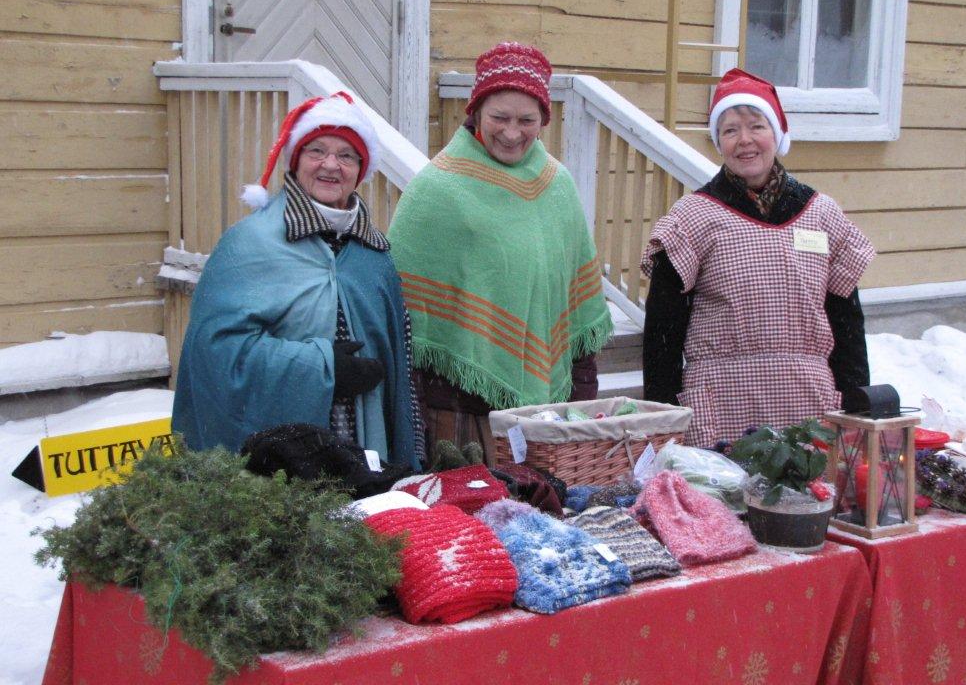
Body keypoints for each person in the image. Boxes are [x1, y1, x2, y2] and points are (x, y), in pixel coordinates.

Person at [172, 91, 424, 471]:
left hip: (365, 443)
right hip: (280, 460)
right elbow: (215, 353)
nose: (331, 165)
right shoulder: (249, 245)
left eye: (346, 155)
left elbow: (399, 364)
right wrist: (321, 369)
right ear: (296, 159)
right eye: (316, 151)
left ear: (360, 169)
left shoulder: (374, 255)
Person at [387, 42, 613, 462]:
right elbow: (402, 316)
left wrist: (582, 400)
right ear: (475, 113)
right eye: (499, 117)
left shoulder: (557, 186)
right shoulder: (436, 190)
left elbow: (577, 309)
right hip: (457, 414)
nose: (512, 133)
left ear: (544, 119)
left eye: (527, 120)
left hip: (547, 420)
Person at [642, 68, 875, 448]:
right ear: (719, 142)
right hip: (721, 404)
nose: (745, 140)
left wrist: (857, 402)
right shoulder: (692, 218)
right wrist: (663, 415)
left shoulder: (821, 213)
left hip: (809, 404)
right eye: (730, 130)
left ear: (778, 134)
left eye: (756, 126)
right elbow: (662, 331)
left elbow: (846, 320)